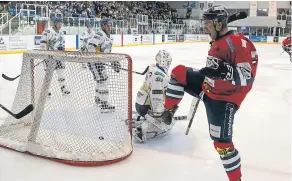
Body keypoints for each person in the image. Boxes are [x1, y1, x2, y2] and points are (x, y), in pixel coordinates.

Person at [148, 6, 258, 181]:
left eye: (208, 23)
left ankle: (236, 179)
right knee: (179, 72)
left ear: (218, 23)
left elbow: (248, 77)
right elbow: (223, 27)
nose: (205, 27)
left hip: (223, 100)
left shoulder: (236, 43)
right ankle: (167, 113)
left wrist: (226, 72)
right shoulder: (222, 34)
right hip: (209, 85)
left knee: (223, 145)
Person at [133, 50, 172, 143]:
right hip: (145, 107)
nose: (169, 64)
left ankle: (140, 116)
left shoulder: (153, 68)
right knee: (166, 124)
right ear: (164, 61)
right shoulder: (159, 76)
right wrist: (158, 115)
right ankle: (141, 131)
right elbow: (156, 96)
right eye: (168, 62)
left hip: (140, 103)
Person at [86, 18, 120, 113]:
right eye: (107, 25)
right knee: (103, 81)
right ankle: (104, 104)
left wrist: (113, 62)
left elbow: (107, 52)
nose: (109, 27)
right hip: (95, 62)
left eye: (110, 25)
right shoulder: (100, 34)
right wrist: (95, 58)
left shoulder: (111, 37)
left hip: (100, 62)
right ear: (102, 26)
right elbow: (91, 46)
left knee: (102, 80)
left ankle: (98, 99)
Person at [40, 17, 70, 96]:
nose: (60, 25)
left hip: (58, 57)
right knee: (49, 74)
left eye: (61, 23)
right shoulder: (48, 31)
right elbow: (43, 43)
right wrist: (46, 55)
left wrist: (62, 50)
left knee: (61, 73)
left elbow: (62, 44)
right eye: (58, 23)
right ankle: (46, 90)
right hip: (49, 57)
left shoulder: (61, 32)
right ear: (55, 23)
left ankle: (63, 89)